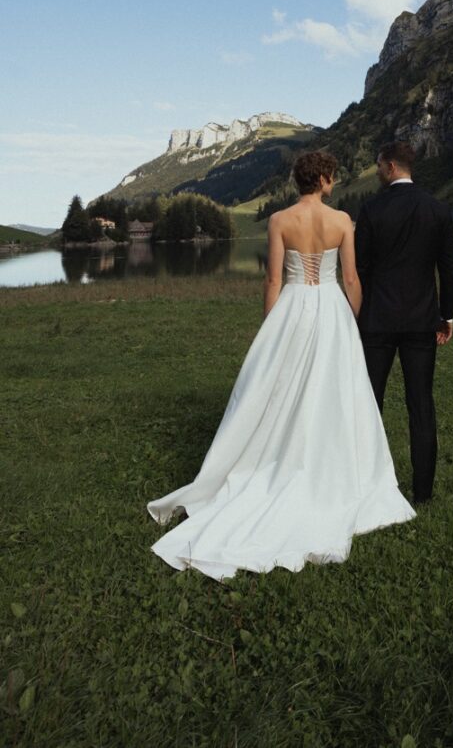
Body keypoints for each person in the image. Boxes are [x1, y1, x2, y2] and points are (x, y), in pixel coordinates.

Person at [147, 151, 414, 580]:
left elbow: (274, 280)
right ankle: (333, 465)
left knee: (279, 388)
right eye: (331, 176)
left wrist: (271, 328)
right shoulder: (343, 221)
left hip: (292, 307)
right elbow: (350, 279)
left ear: (298, 181)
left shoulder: (279, 221)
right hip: (331, 309)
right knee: (335, 389)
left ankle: (275, 460)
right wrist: (358, 320)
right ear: (325, 180)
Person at [355, 141, 453, 505]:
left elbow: (360, 269)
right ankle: (423, 493)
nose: (378, 171)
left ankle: (365, 486)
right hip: (421, 321)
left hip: (377, 321)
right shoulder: (438, 209)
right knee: (421, 405)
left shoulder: (370, 209)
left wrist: (359, 313)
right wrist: (446, 315)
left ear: (392, 166)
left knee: (369, 403)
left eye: (380, 165)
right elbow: (448, 268)